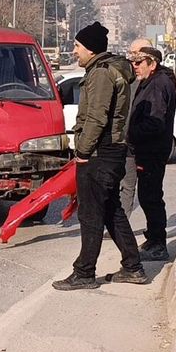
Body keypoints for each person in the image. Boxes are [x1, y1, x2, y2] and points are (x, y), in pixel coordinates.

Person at [52, 21, 147, 291]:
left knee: (91, 214)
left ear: (91, 49)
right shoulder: (104, 69)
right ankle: (133, 266)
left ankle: (84, 273)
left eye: (77, 46)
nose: (74, 51)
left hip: (100, 153)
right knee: (111, 211)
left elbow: (96, 117)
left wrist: (82, 151)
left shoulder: (101, 74)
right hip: (109, 152)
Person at [126, 45, 176, 261]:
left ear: (152, 64)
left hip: (152, 150)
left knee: (151, 197)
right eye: (133, 62)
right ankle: (153, 238)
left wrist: (129, 134)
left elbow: (154, 123)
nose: (134, 66)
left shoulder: (158, 84)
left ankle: (158, 244)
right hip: (147, 148)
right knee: (148, 196)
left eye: (139, 62)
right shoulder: (150, 82)